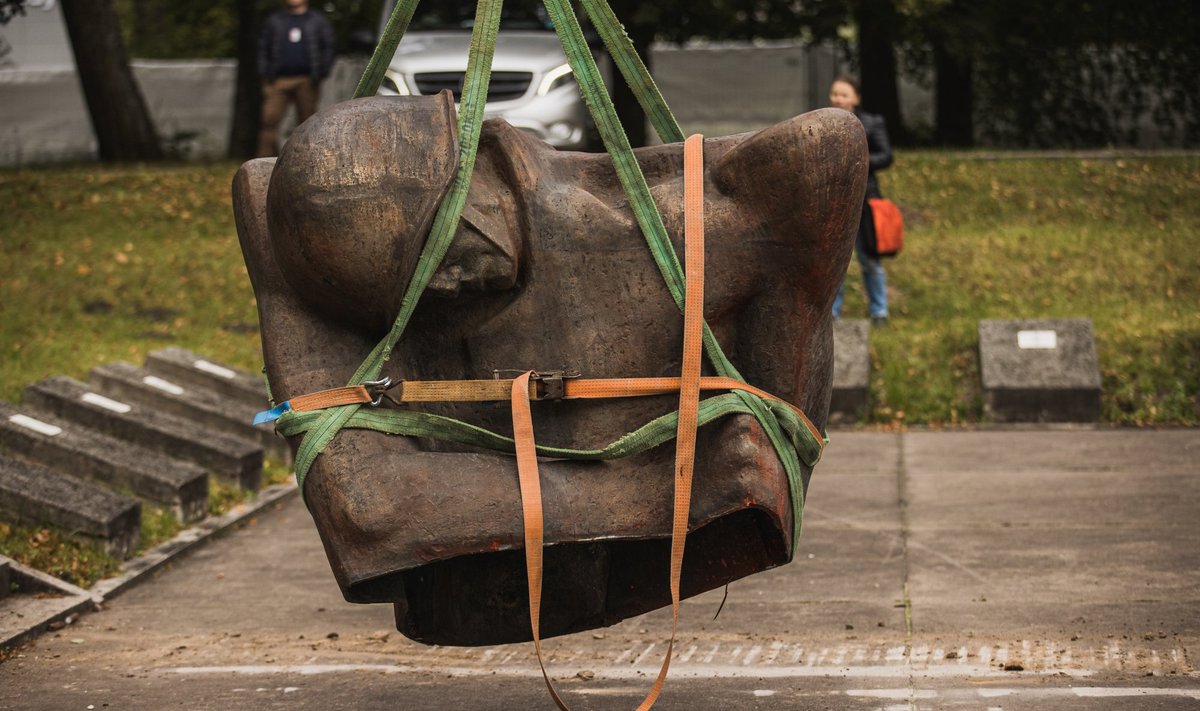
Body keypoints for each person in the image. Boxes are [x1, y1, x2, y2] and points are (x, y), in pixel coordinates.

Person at [829, 76, 893, 326]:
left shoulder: (872, 123)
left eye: (843, 94)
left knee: (870, 260)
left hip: (866, 202)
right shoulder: (825, 124)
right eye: (834, 94)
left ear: (855, 98)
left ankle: (879, 312)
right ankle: (831, 314)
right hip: (836, 202)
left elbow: (886, 156)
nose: (838, 99)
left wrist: (859, 160)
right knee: (835, 263)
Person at [256, 0, 335, 158]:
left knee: (308, 125)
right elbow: (263, 48)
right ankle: (266, 163)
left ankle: (307, 161)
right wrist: (265, 74)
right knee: (268, 122)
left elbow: (328, 46)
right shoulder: (275, 21)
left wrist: (321, 73)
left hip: (306, 80)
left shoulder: (317, 21)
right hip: (278, 81)